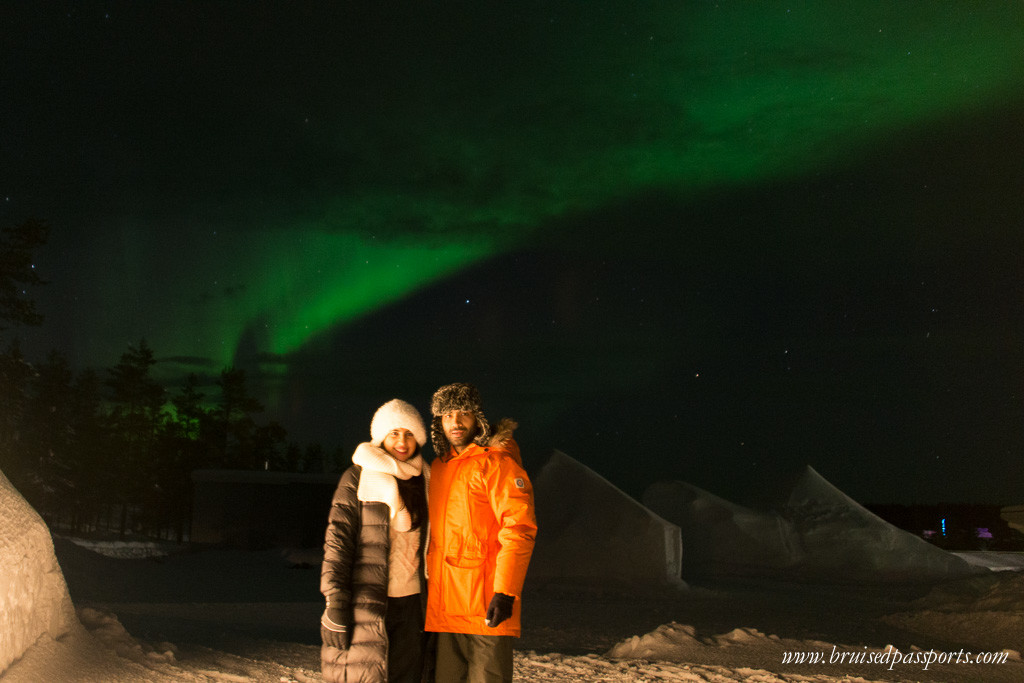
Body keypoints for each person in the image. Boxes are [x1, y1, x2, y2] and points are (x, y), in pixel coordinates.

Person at [424, 382, 537, 683]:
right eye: (447, 415)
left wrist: (505, 591)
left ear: (478, 418)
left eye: (464, 413)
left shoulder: (497, 462)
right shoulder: (439, 468)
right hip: (446, 609)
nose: (456, 422)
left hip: (485, 606)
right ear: (439, 423)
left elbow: (519, 528)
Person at [320, 398, 432, 683]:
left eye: (409, 434)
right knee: (365, 676)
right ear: (381, 437)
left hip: (412, 602)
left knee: (407, 676)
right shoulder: (357, 478)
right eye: (394, 433)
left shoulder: (427, 479)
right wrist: (334, 598)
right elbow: (338, 543)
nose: (402, 441)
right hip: (367, 600)